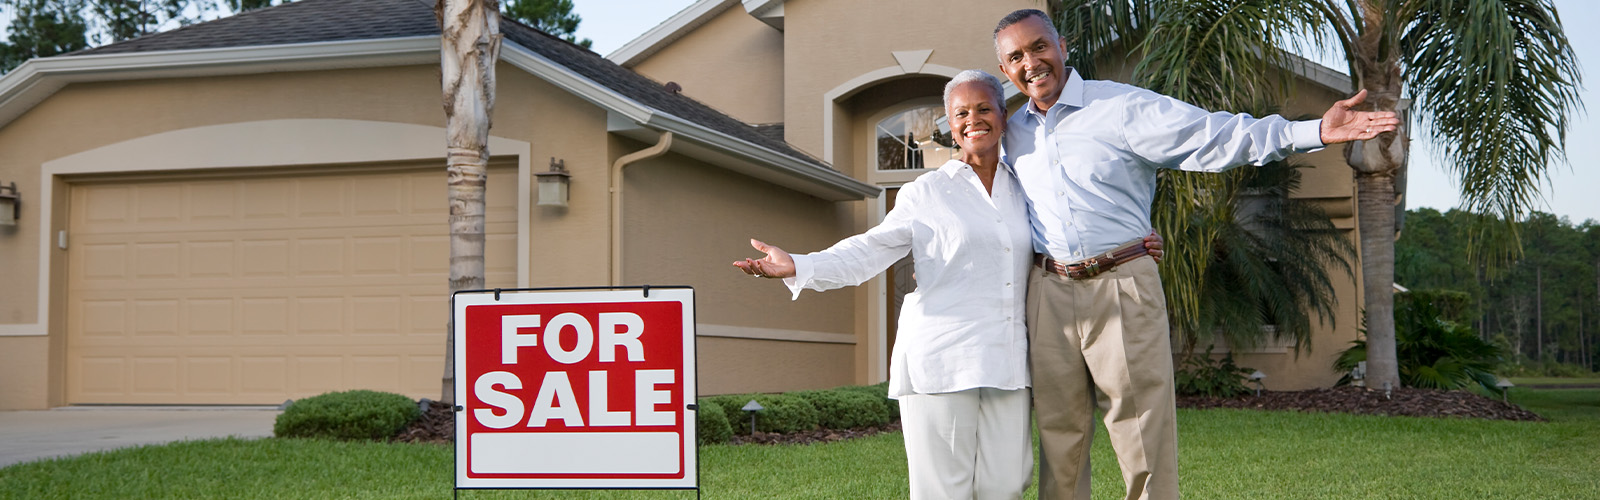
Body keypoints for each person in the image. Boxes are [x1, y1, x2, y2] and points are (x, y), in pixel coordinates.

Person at [990, 9, 1400, 500]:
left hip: (1121, 283)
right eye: (1016, 56)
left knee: (1143, 434)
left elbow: (1215, 136)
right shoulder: (1009, 136)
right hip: (1047, 291)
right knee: (1059, 438)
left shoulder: (1120, 108)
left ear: (1061, 44)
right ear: (1005, 71)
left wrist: (1313, 131)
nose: (1031, 62)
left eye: (1039, 47)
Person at [734, 70, 1161, 500]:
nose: (973, 119)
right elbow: (872, 248)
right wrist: (801, 265)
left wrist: (1135, 244)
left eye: (983, 109)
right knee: (945, 491)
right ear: (949, 124)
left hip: (1007, 361)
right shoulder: (928, 191)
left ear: (1003, 115)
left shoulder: (1025, 186)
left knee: (1007, 482)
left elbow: (1067, 229)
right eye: (961, 113)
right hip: (941, 359)